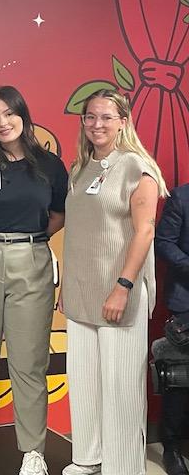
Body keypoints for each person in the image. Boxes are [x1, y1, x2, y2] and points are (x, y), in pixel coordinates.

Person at [0, 86, 68, 475]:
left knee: (29, 360)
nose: (3, 123)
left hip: (32, 259)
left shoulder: (49, 165)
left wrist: (27, 242)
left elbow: (57, 214)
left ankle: (33, 449)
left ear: (23, 114)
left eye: (9, 114)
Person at [60, 88, 168, 475]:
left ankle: (123, 467)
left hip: (117, 293)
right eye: (90, 116)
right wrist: (67, 288)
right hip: (81, 293)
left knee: (121, 389)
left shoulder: (137, 166)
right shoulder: (81, 167)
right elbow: (80, 232)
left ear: (123, 121)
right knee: (85, 384)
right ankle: (87, 458)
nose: (97, 123)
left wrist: (123, 287)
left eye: (106, 116)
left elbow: (145, 232)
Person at [155, 182, 189, 475]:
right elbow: (164, 241)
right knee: (180, 380)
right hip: (186, 302)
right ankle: (172, 447)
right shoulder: (182, 197)